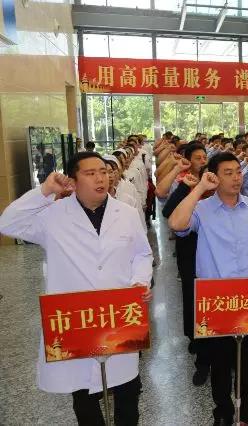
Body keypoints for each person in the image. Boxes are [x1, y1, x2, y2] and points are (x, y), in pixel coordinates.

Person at [0, 152, 152, 425]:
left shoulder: (126, 213)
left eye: (103, 172)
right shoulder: (53, 216)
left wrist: (139, 281)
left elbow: (142, 253)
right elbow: (8, 222)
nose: (101, 178)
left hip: (117, 314)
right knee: (83, 395)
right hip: (76, 319)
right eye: (90, 173)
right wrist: (45, 190)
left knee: (128, 390)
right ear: (72, 180)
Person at [168, 152, 248, 426]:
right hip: (217, 299)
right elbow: (176, 224)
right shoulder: (202, 208)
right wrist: (199, 188)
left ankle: (247, 409)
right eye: (228, 173)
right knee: (220, 360)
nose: (236, 178)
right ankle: (222, 411)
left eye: (238, 171)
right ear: (214, 177)